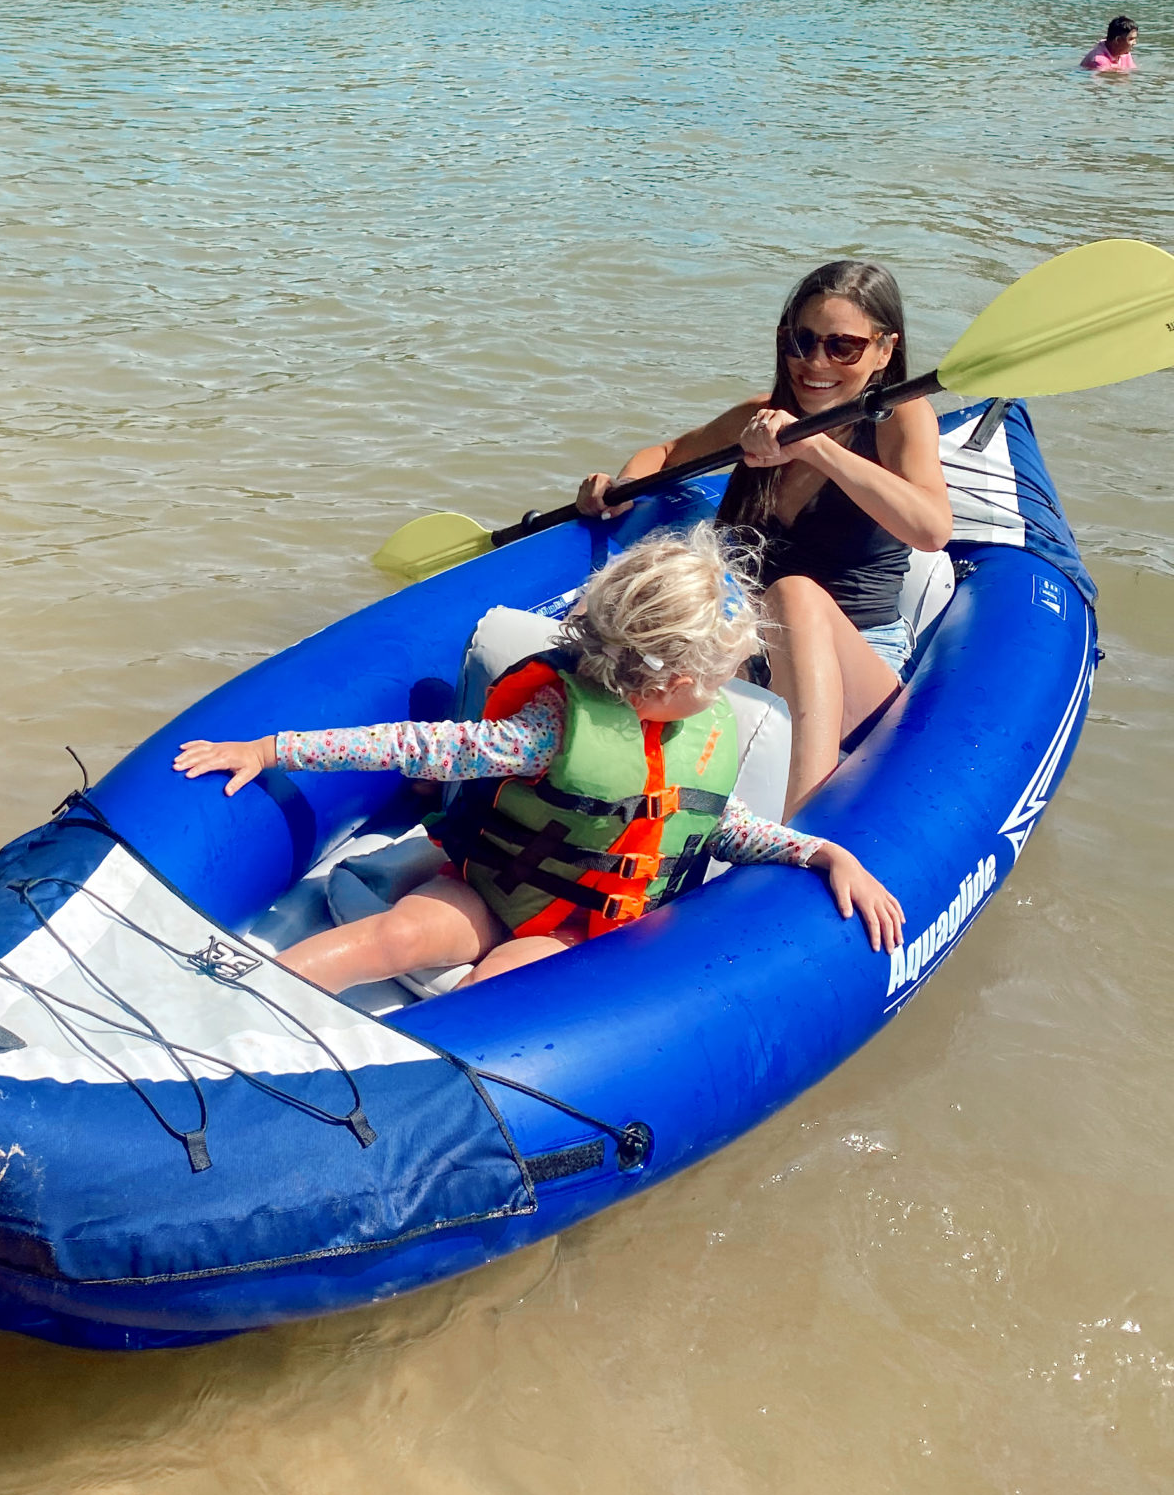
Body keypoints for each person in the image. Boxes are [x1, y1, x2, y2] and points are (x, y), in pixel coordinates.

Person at [174, 528, 903, 996]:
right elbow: (416, 745)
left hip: (576, 931)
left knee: (498, 988)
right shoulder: (550, 726)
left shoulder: (697, 736)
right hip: (497, 887)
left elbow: (728, 827)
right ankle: (239, 998)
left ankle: (393, 1086)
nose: (725, 694)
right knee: (395, 936)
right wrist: (273, 748)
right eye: (719, 678)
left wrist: (825, 853)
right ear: (673, 684)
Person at [576, 260, 952, 816]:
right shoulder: (760, 417)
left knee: (794, 594)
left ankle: (801, 822)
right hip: (742, 643)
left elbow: (932, 529)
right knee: (641, 599)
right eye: (800, 341)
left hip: (858, 654)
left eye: (842, 347)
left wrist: (815, 446)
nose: (814, 362)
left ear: (884, 350)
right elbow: (666, 455)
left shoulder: (901, 417)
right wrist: (625, 485)